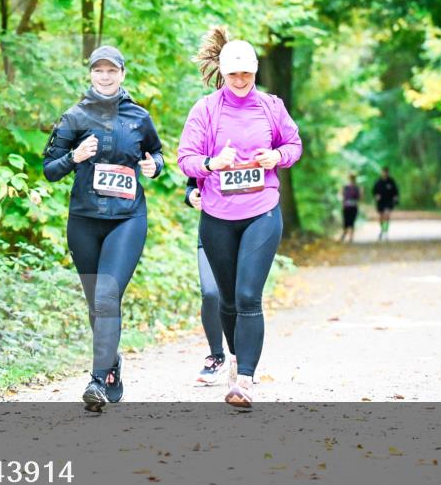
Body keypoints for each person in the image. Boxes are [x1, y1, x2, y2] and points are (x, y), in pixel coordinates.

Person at [177, 28, 302, 409]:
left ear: (255, 71)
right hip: (217, 216)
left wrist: (276, 158)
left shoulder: (271, 106)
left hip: (261, 211)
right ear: (223, 73)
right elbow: (186, 158)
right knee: (226, 301)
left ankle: (245, 379)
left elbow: (293, 144)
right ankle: (234, 360)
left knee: (249, 296)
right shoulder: (206, 109)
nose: (241, 81)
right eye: (234, 75)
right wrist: (213, 163)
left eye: (247, 74)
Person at [43, 45, 164, 412]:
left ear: (123, 74)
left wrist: (153, 167)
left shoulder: (139, 117)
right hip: (84, 220)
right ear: (91, 74)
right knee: (96, 303)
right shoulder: (74, 117)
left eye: (112, 70)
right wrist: (74, 157)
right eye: (99, 70)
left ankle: (97, 379)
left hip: (127, 219)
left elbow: (157, 154)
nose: (106, 76)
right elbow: (49, 169)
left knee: (107, 295)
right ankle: (111, 365)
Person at [184, 179, 233, 385]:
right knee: (210, 293)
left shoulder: (255, 147)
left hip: (249, 226)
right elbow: (192, 184)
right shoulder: (209, 147)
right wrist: (191, 195)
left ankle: (243, 359)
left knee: (241, 295)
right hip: (212, 227)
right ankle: (216, 356)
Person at [372, 167, 399, 241]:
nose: (385, 173)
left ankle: (385, 231)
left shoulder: (391, 181)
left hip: (388, 202)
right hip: (380, 202)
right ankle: (382, 230)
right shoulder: (378, 181)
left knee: (386, 216)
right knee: (381, 217)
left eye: (386, 172)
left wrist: (395, 197)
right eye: (383, 172)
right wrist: (376, 196)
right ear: (381, 172)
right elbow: (374, 191)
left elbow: (395, 191)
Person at [340, 174, 361, 243]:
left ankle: (351, 237)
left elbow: (359, 198)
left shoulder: (357, 188)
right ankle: (344, 235)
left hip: (353, 206)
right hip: (346, 206)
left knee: (352, 222)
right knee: (346, 221)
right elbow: (342, 195)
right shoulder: (345, 187)